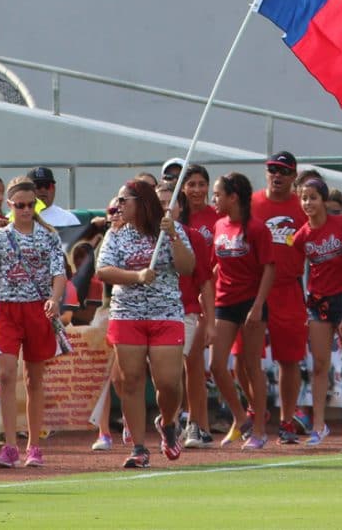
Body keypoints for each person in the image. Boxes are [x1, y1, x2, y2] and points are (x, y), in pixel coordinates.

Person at [98, 179, 194, 467]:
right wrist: (136, 276)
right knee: (131, 381)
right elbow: (103, 271)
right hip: (127, 314)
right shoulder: (116, 235)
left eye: (123, 200)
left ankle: (167, 422)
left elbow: (188, 267)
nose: (118, 206)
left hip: (165, 312)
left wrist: (174, 236)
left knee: (168, 382)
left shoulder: (168, 230)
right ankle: (139, 447)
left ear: (140, 201)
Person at [0, 176, 66, 469]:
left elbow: (59, 272)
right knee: (6, 374)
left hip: (37, 310)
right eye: (20, 205)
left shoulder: (49, 235)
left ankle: (34, 445)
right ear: (10, 205)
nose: (26, 210)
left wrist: (55, 299)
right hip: (6, 309)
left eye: (31, 205)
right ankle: (9, 445)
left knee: (34, 379)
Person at [209, 172, 274, 449]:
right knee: (216, 365)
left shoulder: (257, 229)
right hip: (225, 301)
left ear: (233, 197)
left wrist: (258, 305)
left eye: (218, 194)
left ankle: (259, 429)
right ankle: (240, 417)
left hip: (251, 302)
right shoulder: (219, 225)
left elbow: (269, 267)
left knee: (250, 366)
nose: (215, 199)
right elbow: (216, 266)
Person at [250, 150, 309, 444]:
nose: (277, 175)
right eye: (273, 169)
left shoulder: (303, 206)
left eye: (284, 171)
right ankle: (255, 411)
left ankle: (287, 420)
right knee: (245, 358)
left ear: (293, 176)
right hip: (254, 288)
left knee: (289, 359)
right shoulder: (252, 202)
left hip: (288, 288)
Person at [292, 173, 342, 447]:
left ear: (324, 200)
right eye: (304, 198)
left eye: (313, 198)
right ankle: (319, 425)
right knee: (319, 365)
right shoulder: (302, 235)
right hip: (318, 301)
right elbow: (292, 269)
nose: (308, 203)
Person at [170, 174, 217, 449]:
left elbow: (205, 277)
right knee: (168, 373)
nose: (196, 190)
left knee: (194, 366)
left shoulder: (201, 228)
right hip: (162, 308)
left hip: (195, 304)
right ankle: (172, 421)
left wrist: (209, 318)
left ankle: (197, 424)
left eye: (201, 184)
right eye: (191, 184)